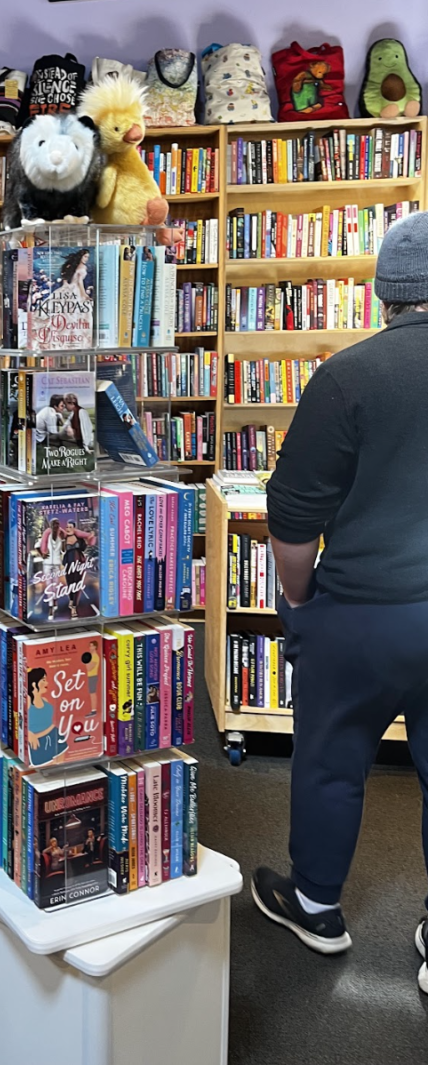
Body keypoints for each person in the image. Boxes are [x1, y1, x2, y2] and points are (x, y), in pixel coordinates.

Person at [251, 213, 428, 988]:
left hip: (360, 613)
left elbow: (292, 517)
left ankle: (317, 904)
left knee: (331, 757)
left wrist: (301, 601)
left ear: (384, 291)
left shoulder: (348, 376)